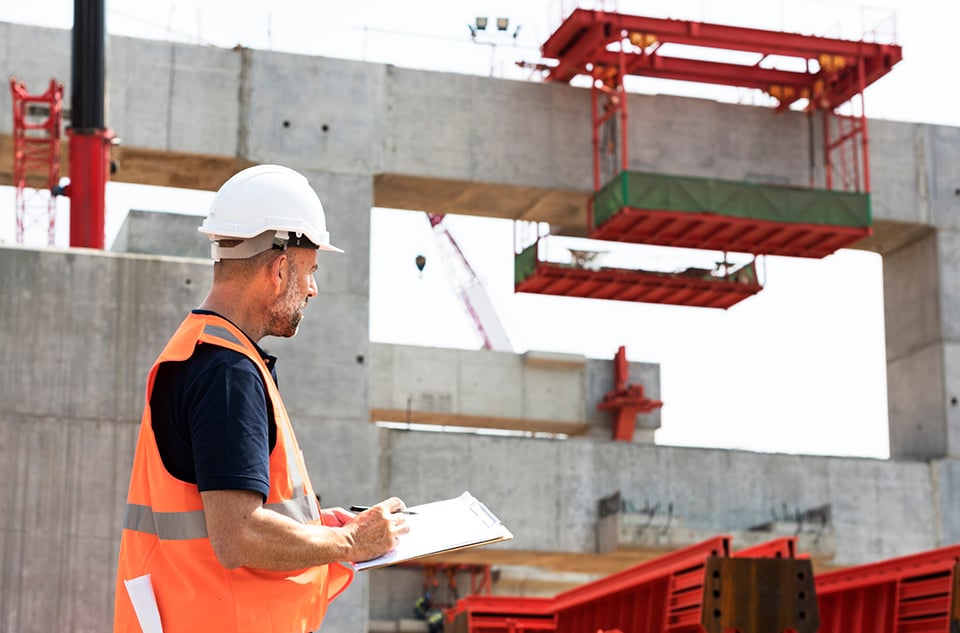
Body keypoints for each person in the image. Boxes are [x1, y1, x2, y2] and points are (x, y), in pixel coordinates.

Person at [114, 164, 409, 633]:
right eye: (310, 271)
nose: (313, 289)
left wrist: (321, 528)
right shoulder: (227, 373)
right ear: (279, 269)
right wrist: (353, 542)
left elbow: (227, 515)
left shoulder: (198, 350)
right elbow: (239, 534)